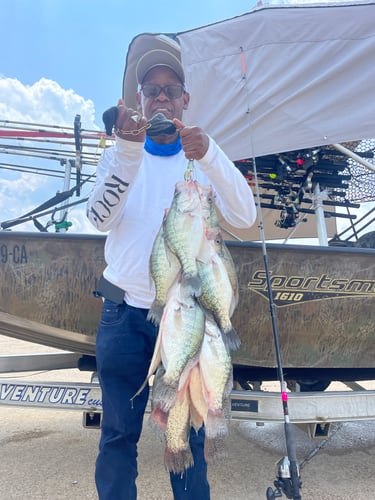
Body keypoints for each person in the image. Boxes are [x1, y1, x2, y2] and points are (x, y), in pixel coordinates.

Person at [87, 35, 256, 500]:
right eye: (151, 89)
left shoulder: (201, 160)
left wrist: (212, 154)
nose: (161, 95)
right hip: (122, 317)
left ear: (185, 99)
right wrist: (125, 148)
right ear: (138, 100)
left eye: (170, 88)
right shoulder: (118, 156)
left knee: (187, 435)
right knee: (118, 435)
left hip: (186, 318)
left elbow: (245, 217)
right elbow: (99, 217)